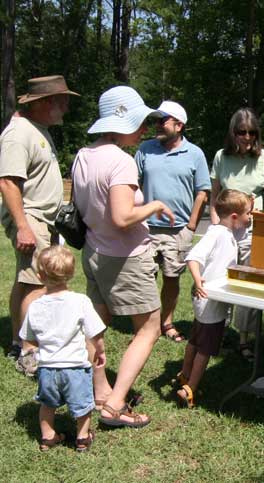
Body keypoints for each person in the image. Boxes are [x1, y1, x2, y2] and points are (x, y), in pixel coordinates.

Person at [72, 85, 175, 428]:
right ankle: (114, 406)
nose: (144, 129)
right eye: (139, 122)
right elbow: (121, 217)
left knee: (96, 327)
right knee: (149, 328)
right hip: (125, 257)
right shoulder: (121, 161)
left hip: (94, 252)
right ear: (120, 121)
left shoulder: (83, 155)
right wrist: (155, 205)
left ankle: (100, 391)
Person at [0, 75, 79, 371]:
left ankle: (17, 342)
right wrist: (23, 226)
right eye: (63, 102)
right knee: (37, 283)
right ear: (45, 102)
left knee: (26, 280)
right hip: (30, 218)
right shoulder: (18, 134)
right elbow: (8, 182)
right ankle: (30, 352)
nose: (66, 108)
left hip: (40, 219)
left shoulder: (37, 129)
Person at [135, 101, 211, 342]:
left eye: (162, 120)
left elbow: (203, 192)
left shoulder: (195, 153)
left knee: (171, 278)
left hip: (178, 230)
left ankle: (166, 323)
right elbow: (132, 184)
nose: (157, 124)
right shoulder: (145, 149)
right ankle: (146, 326)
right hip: (145, 228)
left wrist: (190, 226)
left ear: (179, 125)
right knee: (144, 279)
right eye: (156, 120)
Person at [19, 245, 106, 452]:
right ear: (71, 274)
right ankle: (83, 438)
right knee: (83, 406)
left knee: (47, 405)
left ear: (40, 276)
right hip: (75, 367)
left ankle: (48, 437)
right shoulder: (80, 301)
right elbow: (95, 333)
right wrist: (100, 351)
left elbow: (29, 337)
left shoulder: (36, 306)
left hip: (47, 368)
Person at [176, 189, 252, 407]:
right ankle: (191, 388)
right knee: (206, 348)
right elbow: (193, 257)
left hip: (209, 299)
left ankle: (185, 374)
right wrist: (198, 280)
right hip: (209, 299)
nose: (250, 218)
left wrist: (247, 203)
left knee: (195, 339)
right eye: (248, 214)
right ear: (235, 217)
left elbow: (240, 231)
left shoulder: (227, 231)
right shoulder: (216, 234)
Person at [209, 108, 264, 361]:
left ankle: (244, 339)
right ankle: (216, 334)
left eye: (251, 132)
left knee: (247, 283)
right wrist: (216, 228)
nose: (246, 137)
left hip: (255, 231)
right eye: (241, 132)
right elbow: (214, 195)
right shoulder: (221, 157)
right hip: (226, 230)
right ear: (233, 132)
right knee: (220, 281)